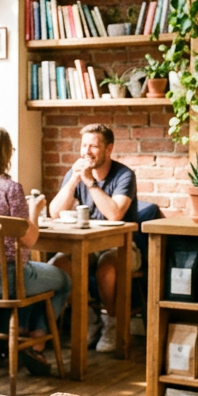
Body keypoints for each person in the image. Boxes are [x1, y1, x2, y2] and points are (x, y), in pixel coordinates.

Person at [0, 126, 71, 374]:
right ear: (5, 154)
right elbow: (28, 239)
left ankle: (24, 339)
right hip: (6, 279)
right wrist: (35, 211)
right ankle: (36, 343)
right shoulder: (10, 188)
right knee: (63, 279)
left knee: (30, 275)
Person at [49, 122, 140, 353]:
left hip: (125, 247)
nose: (87, 151)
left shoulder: (124, 175)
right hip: (87, 245)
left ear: (109, 149)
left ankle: (112, 324)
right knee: (59, 265)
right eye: (84, 145)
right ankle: (89, 319)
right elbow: (55, 212)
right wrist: (73, 180)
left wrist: (89, 182)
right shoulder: (75, 174)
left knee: (106, 270)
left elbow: (114, 213)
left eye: (94, 146)